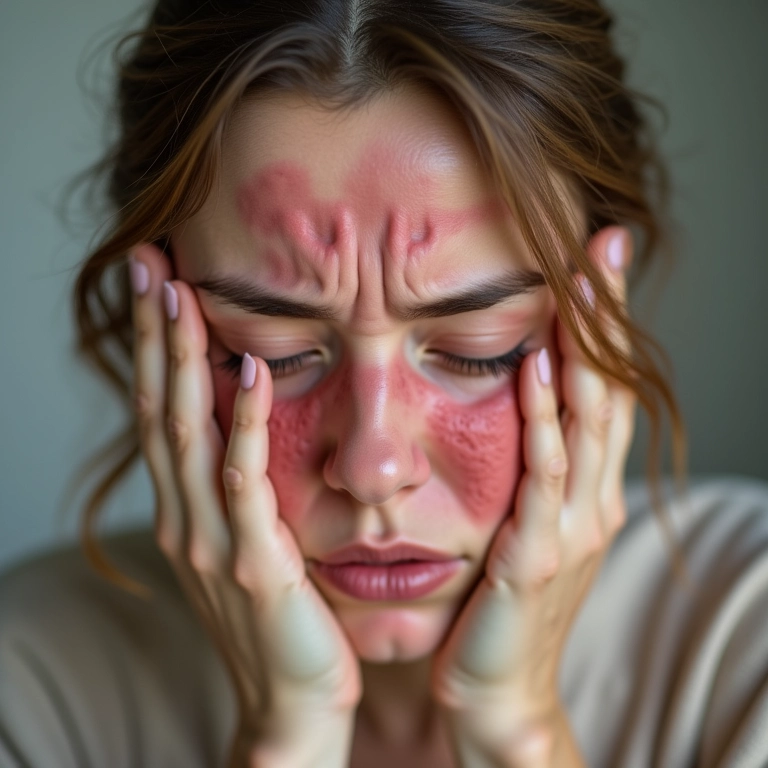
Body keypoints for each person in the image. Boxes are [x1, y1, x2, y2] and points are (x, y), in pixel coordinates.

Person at [2, 1, 768, 766]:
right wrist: (284, 740)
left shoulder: (744, 636)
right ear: (159, 332)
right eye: (268, 353)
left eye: (480, 351)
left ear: (600, 318)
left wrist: (517, 735)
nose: (373, 469)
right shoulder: (31, 688)